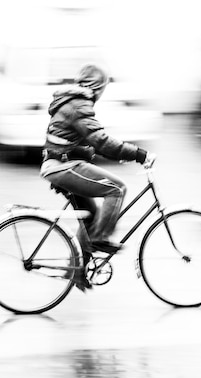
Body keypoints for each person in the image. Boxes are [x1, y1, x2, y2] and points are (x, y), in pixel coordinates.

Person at [40, 64, 155, 291]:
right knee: (117, 189)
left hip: (59, 164)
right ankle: (100, 240)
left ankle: (76, 272)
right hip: (62, 166)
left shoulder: (73, 101)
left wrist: (104, 152)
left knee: (91, 217)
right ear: (98, 86)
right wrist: (138, 154)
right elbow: (101, 141)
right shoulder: (79, 105)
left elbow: (89, 142)